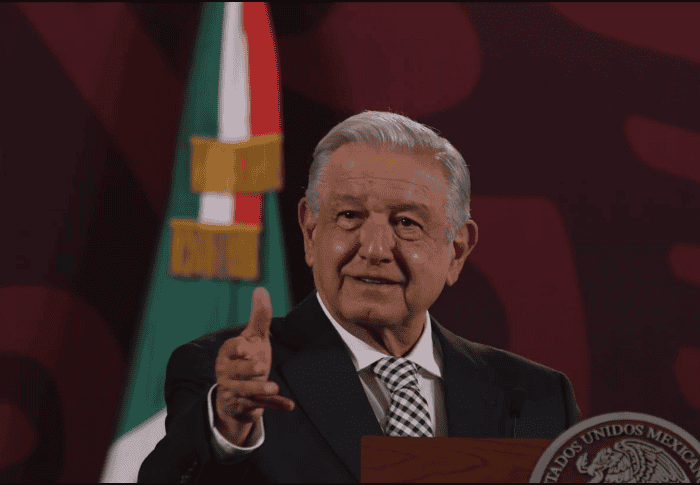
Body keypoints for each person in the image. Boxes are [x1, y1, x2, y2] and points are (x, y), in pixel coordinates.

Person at [138, 111, 581, 482]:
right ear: (311, 232)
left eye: (406, 223)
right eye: (349, 215)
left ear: (457, 251)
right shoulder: (230, 380)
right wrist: (226, 427)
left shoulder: (538, 396)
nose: (373, 249)